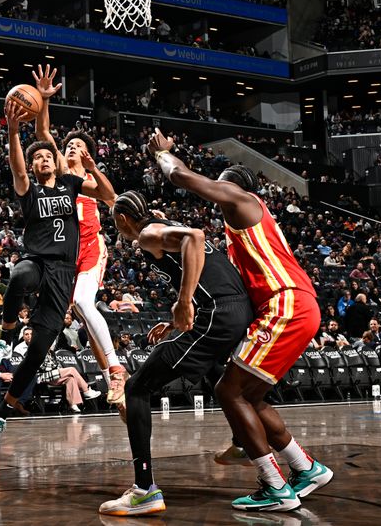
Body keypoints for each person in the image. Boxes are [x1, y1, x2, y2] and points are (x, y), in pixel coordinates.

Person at [149, 129, 332, 511]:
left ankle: (275, 486)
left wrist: (165, 154)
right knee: (249, 394)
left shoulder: (242, 199)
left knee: (228, 391)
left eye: (220, 188)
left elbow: (182, 178)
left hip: (287, 305)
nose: (217, 195)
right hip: (293, 306)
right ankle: (305, 467)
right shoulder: (246, 232)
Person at [99, 191, 253, 516]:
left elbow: (196, 238)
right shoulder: (163, 226)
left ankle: (144, 490)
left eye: (115, 222)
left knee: (136, 387)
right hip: (236, 311)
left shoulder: (147, 234)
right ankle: (245, 439)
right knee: (214, 371)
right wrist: (174, 321)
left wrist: (184, 302)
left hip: (218, 313)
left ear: (123, 220)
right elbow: (203, 265)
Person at [0, 95, 114, 449]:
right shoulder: (30, 190)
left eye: (46, 156)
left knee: (39, 350)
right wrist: (13, 133)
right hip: (38, 263)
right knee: (19, 275)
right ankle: (8, 332)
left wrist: (92, 165)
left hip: (63, 274)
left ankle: (2, 413)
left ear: (55, 164)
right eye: (36, 157)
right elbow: (17, 169)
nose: (41, 159)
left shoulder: (72, 185)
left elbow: (108, 194)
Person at [32, 64, 128, 404]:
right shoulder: (60, 172)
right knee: (85, 316)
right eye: (68, 144)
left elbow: (111, 197)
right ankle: (111, 380)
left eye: (76, 145)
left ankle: (116, 371)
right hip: (66, 253)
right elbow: (44, 132)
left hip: (91, 245)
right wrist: (44, 100)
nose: (70, 147)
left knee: (86, 304)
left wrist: (94, 167)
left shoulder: (86, 180)